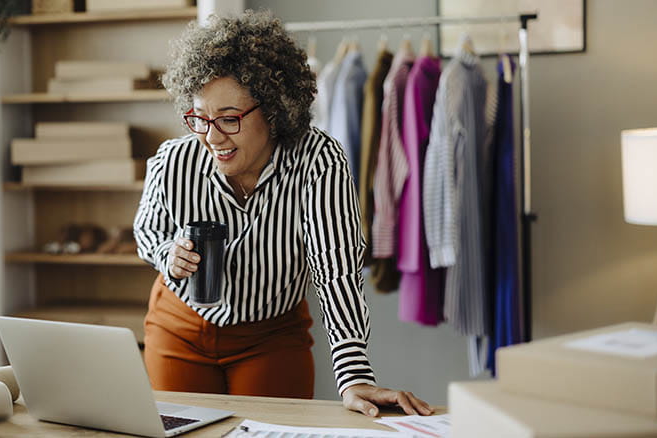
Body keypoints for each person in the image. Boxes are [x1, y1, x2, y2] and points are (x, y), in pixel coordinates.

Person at [133, 10, 432, 417]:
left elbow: (336, 271)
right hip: (179, 327)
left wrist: (353, 375)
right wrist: (168, 252)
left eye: (229, 119)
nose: (211, 136)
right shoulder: (175, 160)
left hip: (271, 334)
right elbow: (147, 229)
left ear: (273, 110)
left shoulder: (318, 162)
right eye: (199, 118)